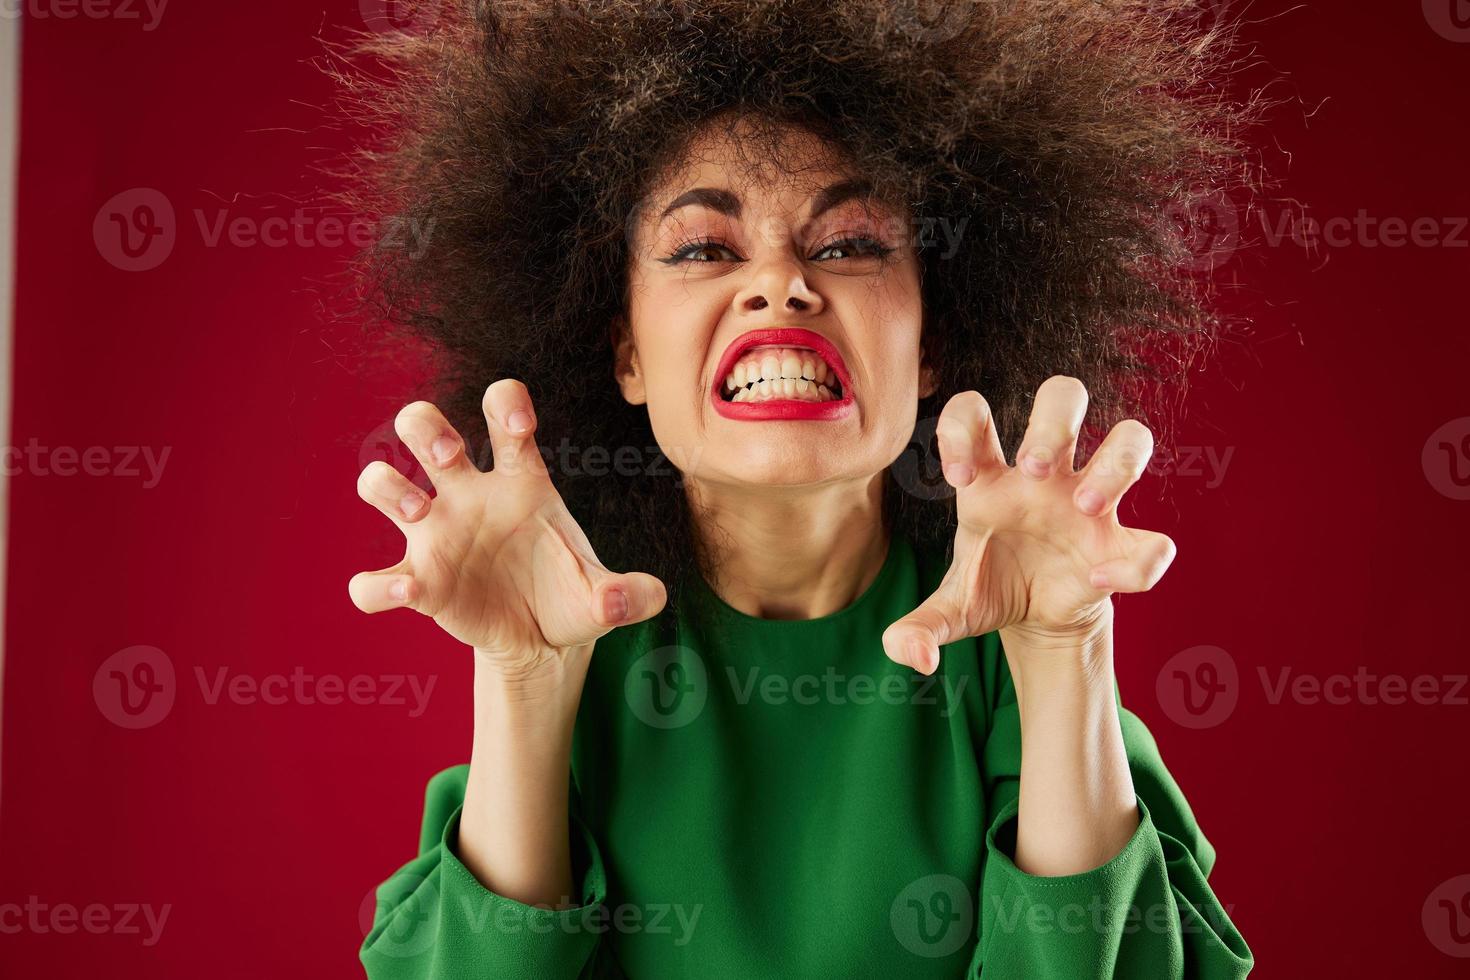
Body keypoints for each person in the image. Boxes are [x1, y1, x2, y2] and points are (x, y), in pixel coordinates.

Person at [339, 1, 1256, 975]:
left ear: (932, 340)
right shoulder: (571, 645)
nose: (780, 282)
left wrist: (1065, 650)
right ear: (625, 350)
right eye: (703, 248)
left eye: (850, 243)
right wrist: (522, 680)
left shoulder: (1007, 653)